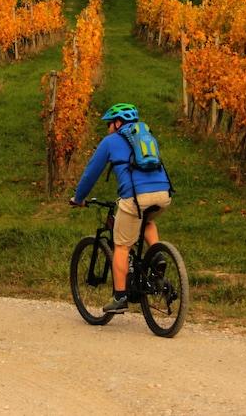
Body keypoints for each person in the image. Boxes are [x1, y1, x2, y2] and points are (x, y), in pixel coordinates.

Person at [69, 103, 172, 314]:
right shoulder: (146, 137)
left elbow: (91, 173)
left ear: (117, 123)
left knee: (122, 246)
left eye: (109, 124)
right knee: (147, 220)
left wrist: (79, 198)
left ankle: (120, 296)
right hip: (164, 194)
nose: (108, 128)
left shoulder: (110, 141)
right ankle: (158, 256)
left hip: (136, 198)